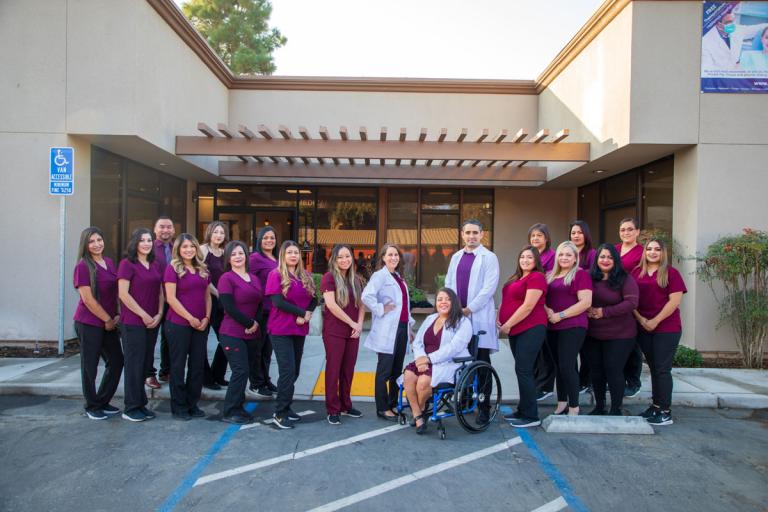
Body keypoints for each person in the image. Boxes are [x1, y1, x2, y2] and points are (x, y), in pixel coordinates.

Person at [444, 219, 500, 424]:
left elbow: (489, 288)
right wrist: (454, 308)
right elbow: (448, 284)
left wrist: (468, 309)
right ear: (462, 234)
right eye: (468, 233)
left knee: (482, 362)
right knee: (463, 359)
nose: (471, 236)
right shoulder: (456, 257)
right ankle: (466, 401)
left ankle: (484, 407)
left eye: (475, 233)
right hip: (459, 318)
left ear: (482, 234)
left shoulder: (489, 257)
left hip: (478, 317)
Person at [402, 288, 472, 434]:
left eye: (447, 299)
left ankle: (419, 411)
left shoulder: (463, 322)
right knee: (408, 375)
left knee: (423, 382)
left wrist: (429, 359)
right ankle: (418, 415)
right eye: (439, 299)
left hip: (448, 362)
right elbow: (418, 342)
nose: (443, 302)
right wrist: (421, 359)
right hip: (424, 360)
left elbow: (454, 348)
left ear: (454, 302)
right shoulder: (430, 318)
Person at [632, 239, 687, 426]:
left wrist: (655, 320)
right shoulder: (636, 273)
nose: (653, 252)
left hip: (667, 328)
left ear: (663, 253)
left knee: (662, 370)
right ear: (644, 251)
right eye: (649, 249)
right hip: (644, 326)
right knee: (654, 368)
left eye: (657, 249)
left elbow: (674, 302)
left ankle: (664, 411)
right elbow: (631, 300)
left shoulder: (671, 273)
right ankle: (655, 406)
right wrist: (641, 320)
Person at [265, 240, 318, 429]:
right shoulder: (275, 274)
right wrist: (301, 313)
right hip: (280, 330)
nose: (293, 255)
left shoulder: (305, 275)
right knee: (287, 371)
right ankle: (279, 413)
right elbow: (278, 302)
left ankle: (286, 408)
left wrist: (308, 313)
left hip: (299, 329)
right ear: (283, 255)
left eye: (296, 252)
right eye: (289, 252)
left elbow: (314, 299)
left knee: (294, 371)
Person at [73, 227, 124, 420]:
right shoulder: (83, 266)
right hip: (89, 322)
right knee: (90, 366)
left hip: (109, 323)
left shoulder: (109, 262)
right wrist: (107, 319)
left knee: (117, 361)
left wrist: (117, 313)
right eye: (92, 241)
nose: (97, 244)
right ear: (85, 245)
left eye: (99, 240)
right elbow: (88, 299)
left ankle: (102, 400)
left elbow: (115, 292)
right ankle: (92, 405)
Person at [362, 243, 415, 421]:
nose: (393, 258)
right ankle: (382, 408)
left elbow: (405, 305)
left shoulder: (398, 277)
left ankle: (393, 404)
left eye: (396, 255)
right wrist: (380, 308)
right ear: (383, 258)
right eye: (390, 255)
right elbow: (366, 296)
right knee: (384, 371)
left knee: (396, 371)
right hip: (387, 330)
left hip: (401, 329)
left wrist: (409, 327)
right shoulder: (380, 276)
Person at [497, 246, 548, 428]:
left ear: (536, 261)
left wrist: (508, 324)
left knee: (524, 369)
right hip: (515, 329)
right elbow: (506, 301)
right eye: (522, 256)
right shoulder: (516, 278)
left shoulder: (537, 277)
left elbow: (528, 306)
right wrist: (498, 317)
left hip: (531, 327)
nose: (525, 260)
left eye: (529, 257)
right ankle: (522, 409)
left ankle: (531, 416)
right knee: (521, 369)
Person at [585, 244, 639, 416]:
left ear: (615, 260)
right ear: (596, 259)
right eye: (602, 257)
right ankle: (599, 406)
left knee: (613, 370)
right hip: (593, 333)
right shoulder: (589, 277)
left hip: (620, 334)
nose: (605, 260)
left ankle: (616, 408)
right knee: (596, 371)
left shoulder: (625, 279)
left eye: (609, 257)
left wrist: (603, 312)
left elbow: (631, 303)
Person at [163, 233, 211, 421]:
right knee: (178, 366)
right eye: (185, 247)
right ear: (178, 249)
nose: (189, 250)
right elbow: (171, 298)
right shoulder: (172, 269)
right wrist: (190, 318)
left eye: (192, 246)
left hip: (201, 324)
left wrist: (206, 317)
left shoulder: (204, 269)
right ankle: (179, 407)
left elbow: (207, 296)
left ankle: (193, 404)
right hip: (178, 324)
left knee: (197, 365)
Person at [117, 228, 164, 422]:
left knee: (145, 364)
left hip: (152, 322)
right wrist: (143, 315)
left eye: (149, 240)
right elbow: (123, 294)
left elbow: (161, 291)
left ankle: (141, 404)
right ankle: (131, 408)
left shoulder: (153, 264)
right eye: (142, 240)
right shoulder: (127, 264)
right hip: (134, 322)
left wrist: (159, 314)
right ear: (135, 242)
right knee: (134, 366)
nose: (146, 243)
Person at [217, 241, 263, 425]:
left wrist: (256, 323)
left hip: (252, 332)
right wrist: (249, 322)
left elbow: (260, 303)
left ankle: (238, 407)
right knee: (239, 370)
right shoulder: (226, 278)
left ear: (246, 256)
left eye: (241, 253)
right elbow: (228, 307)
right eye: (233, 254)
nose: (237, 256)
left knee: (245, 372)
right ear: (228, 258)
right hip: (232, 332)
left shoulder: (254, 278)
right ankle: (229, 410)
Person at [544, 241, 593, 416]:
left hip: (573, 326)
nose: (564, 258)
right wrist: (548, 310)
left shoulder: (580, 275)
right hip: (552, 326)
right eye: (561, 254)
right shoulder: (549, 275)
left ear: (575, 258)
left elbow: (586, 302)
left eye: (568, 255)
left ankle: (574, 406)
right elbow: (542, 299)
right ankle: (562, 402)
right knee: (558, 366)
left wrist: (561, 315)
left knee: (567, 365)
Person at [321, 244, 366, 425]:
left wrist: (360, 325)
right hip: (334, 332)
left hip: (353, 332)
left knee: (348, 370)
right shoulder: (329, 278)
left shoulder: (356, 280)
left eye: (347, 256)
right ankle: (333, 409)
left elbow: (362, 305)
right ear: (334, 259)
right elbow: (331, 305)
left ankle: (346, 404)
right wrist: (352, 322)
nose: (344, 260)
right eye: (340, 257)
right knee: (334, 370)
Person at [248, 226, 280, 398]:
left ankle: (265, 379)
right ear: (260, 240)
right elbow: (249, 281)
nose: (269, 240)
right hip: (260, 310)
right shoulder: (255, 258)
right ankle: (256, 383)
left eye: (272, 237)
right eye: (266, 237)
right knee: (257, 349)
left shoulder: (276, 258)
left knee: (268, 349)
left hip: (274, 311)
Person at [528, 223, 557, 402]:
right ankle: (538, 383)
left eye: (539, 235)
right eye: (533, 236)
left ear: (546, 238)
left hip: (548, 306)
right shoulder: (531, 256)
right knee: (536, 350)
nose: (536, 239)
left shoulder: (552, 257)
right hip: (533, 308)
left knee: (546, 350)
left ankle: (546, 386)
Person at [616, 217, 644, 398]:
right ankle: (618, 380)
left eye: (630, 229)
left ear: (637, 232)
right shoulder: (615, 249)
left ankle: (633, 382)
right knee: (618, 344)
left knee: (633, 345)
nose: (626, 233)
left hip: (633, 300)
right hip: (614, 301)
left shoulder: (642, 252)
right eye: (623, 229)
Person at [200, 221, 229, 390]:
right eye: (216, 232)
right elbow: (202, 276)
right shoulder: (203, 250)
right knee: (201, 341)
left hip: (222, 302)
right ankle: (206, 378)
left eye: (222, 232)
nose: (219, 235)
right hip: (206, 299)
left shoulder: (225, 252)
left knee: (225, 339)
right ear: (210, 233)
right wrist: (217, 292)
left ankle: (218, 375)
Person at [569, 220, 595, 392]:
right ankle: (576, 381)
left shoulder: (591, 254)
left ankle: (586, 381)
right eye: (573, 233)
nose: (576, 236)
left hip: (585, 305)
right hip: (568, 305)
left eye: (579, 232)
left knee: (587, 350)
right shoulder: (567, 253)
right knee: (571, 352)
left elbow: (593, 276)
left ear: (586, 234)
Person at [702, 9, 768, 71]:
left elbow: (756, 29)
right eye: (728, 23)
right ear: (718, 24)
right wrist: (731, 71)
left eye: (733, 21)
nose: (732, 25)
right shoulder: (706, 41)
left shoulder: (737, 30)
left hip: (735, 72)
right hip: (720, 78)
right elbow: (707, 69)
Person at [152, 216, 175, 387]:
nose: (165, 230)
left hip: (173, 299)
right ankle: (148, 373)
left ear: (173, 230)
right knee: (150, 338)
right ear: (155, 229)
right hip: (153, 299)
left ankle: (166, 370)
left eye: (169, 227)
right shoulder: (149, 247)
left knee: (170, 336)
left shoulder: (178, 248)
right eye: (162, 227)